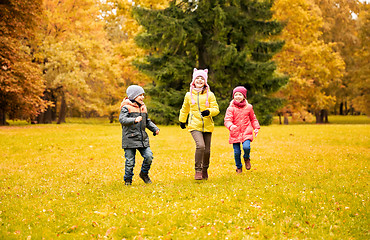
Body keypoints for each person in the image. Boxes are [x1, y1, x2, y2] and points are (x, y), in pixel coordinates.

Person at [179, 68, 220, 180]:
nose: (200, 80)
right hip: (194, 124)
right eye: (198, 78)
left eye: (202, 78)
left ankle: (205, 170)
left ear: (205, 81)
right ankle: (198, 170)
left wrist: (209, 112)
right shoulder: (188, 95)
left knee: (207, 150)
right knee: (200, 146)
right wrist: (182, 120)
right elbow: (184, 109)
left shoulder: (210, 95)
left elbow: (216, 109)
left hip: (207, 125)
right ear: (194, 80)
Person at [119, 85, 160, 185]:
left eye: (143, 95)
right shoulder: (126, 107)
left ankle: (144, 174)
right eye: (139, 95)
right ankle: (128, 180)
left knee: (149, 156)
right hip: (129, 139)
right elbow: (122, 119)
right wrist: (134, 120)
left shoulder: (143, 107)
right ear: (133, 96)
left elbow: (147, 121)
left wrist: (155, 129)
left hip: (142, 139)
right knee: (130, 162)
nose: (142, 97)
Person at [224, 86, 260, 173]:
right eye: (236, 95)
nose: (238, 96)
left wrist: (256, 128)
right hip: (235, 132)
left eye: (240, 94)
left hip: (246, 131)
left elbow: (253, 119)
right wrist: (231, 126)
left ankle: (246, 158)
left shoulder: (249, 107)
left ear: (244, 96)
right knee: (237, 152)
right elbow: (227, 120)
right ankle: (239, 167)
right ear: (233, 96)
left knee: (246, 147)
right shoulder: (230, 108)